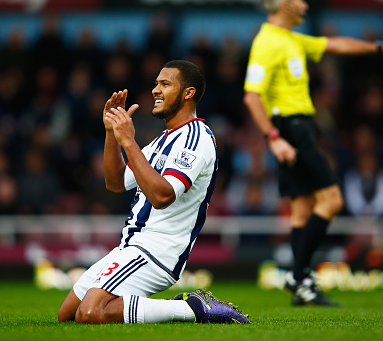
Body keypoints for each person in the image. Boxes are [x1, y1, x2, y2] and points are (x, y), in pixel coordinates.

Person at [243, 0, 383, 306]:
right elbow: (252, 97)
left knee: (302, 208)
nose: (306, 6)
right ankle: (299, 276)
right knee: (333, 200)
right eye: (301, 0)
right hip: (290, 130)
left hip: (298, 128)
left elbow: (335, 45)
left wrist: (382, 47)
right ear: (286, 6)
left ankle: (301, 285)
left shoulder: (291, 39)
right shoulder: (267, 43)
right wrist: (274, 139)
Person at [58, 60, 249, 324]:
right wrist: (112, 133)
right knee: (67, 315)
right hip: (130, 245)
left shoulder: (197, 138)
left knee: (91, 313)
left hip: (158, 250)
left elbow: (162, 196)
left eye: (165, 84)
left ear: (188, 93)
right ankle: (160, 308)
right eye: (156, 83)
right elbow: (115, 183)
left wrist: (128, 140)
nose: (155, 90)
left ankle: (194, 308)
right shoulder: (162, 140)